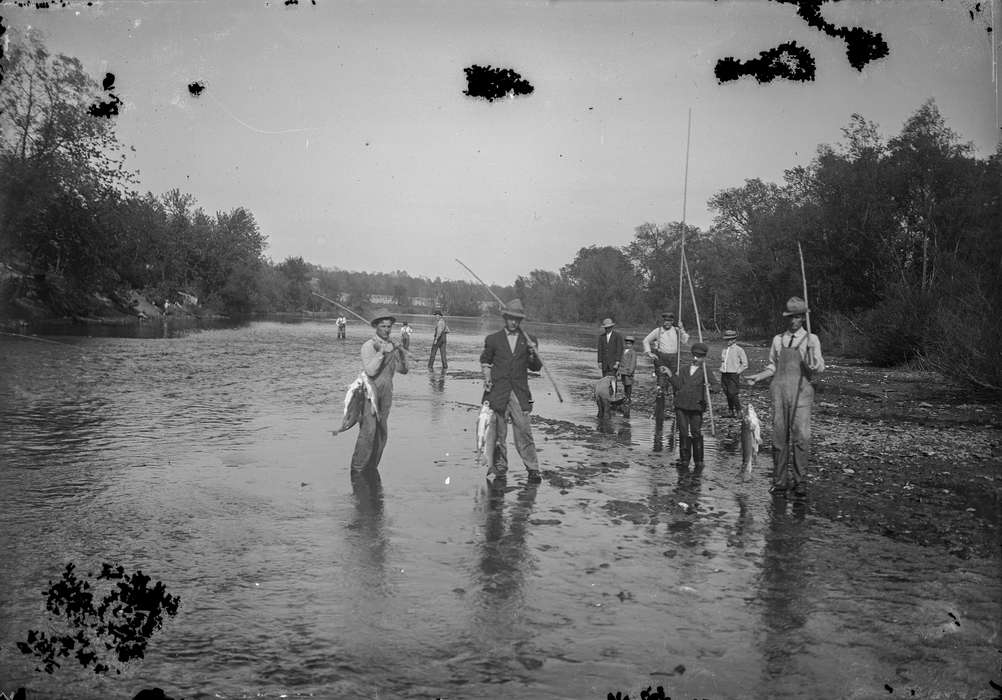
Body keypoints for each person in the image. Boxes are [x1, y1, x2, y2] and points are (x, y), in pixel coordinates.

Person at [746, 296, 825, 498]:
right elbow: (773, 366)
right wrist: (759, 376)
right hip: (779, 392)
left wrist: (811, 358)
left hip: (802, 393)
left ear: (803, 318)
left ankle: (800, 482)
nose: (793, 321)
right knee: (779, 438)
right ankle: (780, 481)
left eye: (797, 317)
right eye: (790, 317)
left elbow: (818, 368)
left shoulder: (811, 339)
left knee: (801, 437)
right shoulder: (778, 339)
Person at [480, 299, 542, 484]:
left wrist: (533, 353)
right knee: (498, 434)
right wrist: (487, 378)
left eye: (517, 319)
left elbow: (536, 367)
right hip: (497, 392)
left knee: (524, 431)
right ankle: (500, 468)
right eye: (511, 318)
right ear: (505, 318)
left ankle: (533, 469)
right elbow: (485, 361)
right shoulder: (493, 339)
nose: (514, 323)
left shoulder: (529, 340)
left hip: (519, 393)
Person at [350, 309, 409, 474]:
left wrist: (402, 354)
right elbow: (370, 371)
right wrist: (381, 352)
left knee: (382, 432)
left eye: (389, 326)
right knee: (368, 431)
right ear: (376, 327)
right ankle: (357, 469)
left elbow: (403, 370)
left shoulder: (393, 345)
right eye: (383, 326)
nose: (387, 329)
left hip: (387, 393)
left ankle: (371, 468)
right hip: (369, 393)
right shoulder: (368, 346)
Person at [661, 342, 713, 469]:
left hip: (697, 406)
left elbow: (716, 386)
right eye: (695, 355)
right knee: (683, 432)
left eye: (699, 356)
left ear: (704, 357)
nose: (696, 359)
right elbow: (678, 385)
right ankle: (684, 459)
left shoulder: (706, 371)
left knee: (696, 432)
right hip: (681, 405)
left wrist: (710, 387)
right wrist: (669, 374)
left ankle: (699, 461)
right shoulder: (684, 369)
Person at [642, 311, 690, 385]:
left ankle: (675, 394)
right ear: (663, 321)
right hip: (661, 358)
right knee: (661, 377)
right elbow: (646, 340)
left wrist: (682, 329)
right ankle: (661, 393)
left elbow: (685, 341)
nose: (667, 323)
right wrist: (649, 353)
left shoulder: (677, 330)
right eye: (665, 321)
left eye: (669, 321)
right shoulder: (658, 331)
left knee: (674, 377)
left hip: (674, 358)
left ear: (672, 321)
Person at [719, 329, 748, 417]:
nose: (728, 341)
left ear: (734, 340)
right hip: (724, 373)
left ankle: (739, 410)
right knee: (727, 392)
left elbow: (745, 363)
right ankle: (731, 411)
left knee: (733, 393)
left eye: (730, 339)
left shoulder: (739, 349)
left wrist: (737, 372)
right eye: (726, 340)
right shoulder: (724, 349)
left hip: (733, 374)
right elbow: (723, 361)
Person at [618, 335, 638, 405]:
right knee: (624, 384)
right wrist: (619, 370)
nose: (628, 345)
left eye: (629, 344)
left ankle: (628, 397)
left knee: (628, 384)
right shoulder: (623, 351)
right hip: (623, 371)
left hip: (628, 371)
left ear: (632, 344)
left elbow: (633, 362)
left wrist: (631, 371)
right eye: (626, 343)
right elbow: (620, 361)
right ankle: (625, 396)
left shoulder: (633, 352)